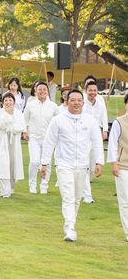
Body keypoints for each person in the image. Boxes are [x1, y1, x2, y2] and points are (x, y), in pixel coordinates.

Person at [40, 89, 104, 242]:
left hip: (82, 165)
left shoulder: (90, 120)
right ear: (67, 101)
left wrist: (99, 162)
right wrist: (44, 163)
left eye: (79, 100)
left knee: (76, 198)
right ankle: (70, 227)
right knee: (68, 196)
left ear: (83, 102)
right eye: (73, 100)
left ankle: (70, 224)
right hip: (64, 164)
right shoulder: (58, 120)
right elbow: (49, 142)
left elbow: (97, 142)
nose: (76, 103)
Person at [23, 81, 59, 194]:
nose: (42, 91)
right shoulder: (30, 105)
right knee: (34, 161)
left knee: (46, 163)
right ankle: (32, 184)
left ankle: (44, 185)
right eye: (40, 89)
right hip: (33, 137)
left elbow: (58, 122)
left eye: (44, 89)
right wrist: (25, 131)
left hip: (48, 139)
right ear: (36, 91)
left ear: (47, 91)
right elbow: (24, 120)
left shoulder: (53, 106)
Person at [0, 92, 26, 198]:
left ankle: (11, 187)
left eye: (10, 100)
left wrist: (12, 128)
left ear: (14, 102)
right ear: (3, 102)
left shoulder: (18, 113)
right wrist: (10, 126)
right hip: (2, 141)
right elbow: (0, 125)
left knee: (13, 163)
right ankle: (4, 190)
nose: (8, 102)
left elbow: (21, 126)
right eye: (6, 100)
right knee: (2, 163)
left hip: (14, 142)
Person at [82, 81, 108, 204]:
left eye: (94, 90)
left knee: (92, 167)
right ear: (86, 91)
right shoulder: (81, 103)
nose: (92, 92)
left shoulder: (100, 103)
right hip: (83, 137)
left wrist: (105, 130)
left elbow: (104, 117)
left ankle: (83, 185)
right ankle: (87, 195)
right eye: (90, 90)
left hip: (96, 136)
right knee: (84, 166)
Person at [107, 94, 128, 242]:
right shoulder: (119, 122)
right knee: (125, 200)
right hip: (122, 166)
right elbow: (112, 143)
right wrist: (114, 163)